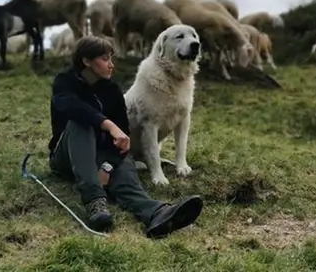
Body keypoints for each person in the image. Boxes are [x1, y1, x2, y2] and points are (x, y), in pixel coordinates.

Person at [47, 35, 203, 238]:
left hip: (101, 156)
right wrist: (108, 125)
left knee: (122, 156)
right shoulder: (64, 82)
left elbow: (123, 134)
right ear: (86, 61)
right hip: (66, 157)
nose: (111, 65)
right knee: (81, 123)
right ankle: (94, 200)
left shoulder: (111, 90)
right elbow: (72, 108)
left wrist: (107, 166)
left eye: (112, 58)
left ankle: (157, 212)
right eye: (105, 59)